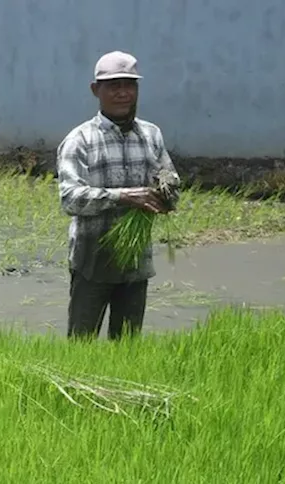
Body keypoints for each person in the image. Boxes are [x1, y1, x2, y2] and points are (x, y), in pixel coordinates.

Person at [57, 51, 180, 340]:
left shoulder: (151, 135)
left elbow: (171, 181)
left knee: (127, 346)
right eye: (114, 86)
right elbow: (70, 198)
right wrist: (122, 196)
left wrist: (165, 193)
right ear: (95, 90)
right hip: (92, 261)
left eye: (130, 85)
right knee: (81, 344)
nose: (123, 93)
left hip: (136, 263)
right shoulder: (80, 140)